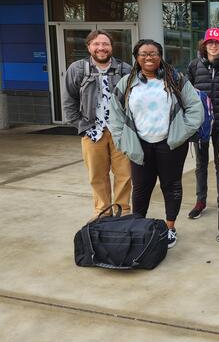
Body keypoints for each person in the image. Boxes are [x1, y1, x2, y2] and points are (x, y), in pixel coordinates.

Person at [109, 40, 204, 249]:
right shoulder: (127, 82)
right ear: (136, 57)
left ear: (160, 56)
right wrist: (121, 140)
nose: (148, 57)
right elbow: (115, 114)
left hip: (170, 144)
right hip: (139, 144)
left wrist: (182, 133)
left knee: (171, 186)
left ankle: (170, 227)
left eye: (153, 53)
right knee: (141, 188)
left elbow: (195, 109)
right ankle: (138, 226)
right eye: (143, 54)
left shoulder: (176, 79)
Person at [62, 30, 132, 218]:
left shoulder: (125, 69)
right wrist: (81, 126)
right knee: (97, 175)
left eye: (105, 44)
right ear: (89, 47)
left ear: (111, 47)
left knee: (124, 174)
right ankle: (102, 210)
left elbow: (134, 100)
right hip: (92, 131)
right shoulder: (77, 69)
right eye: (96, 44)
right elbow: (69, 101)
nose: (101, 48)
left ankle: (123, 210)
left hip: (119, 131)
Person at [186, 28, 219, 219]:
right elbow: (187, 96)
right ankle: (201, 201)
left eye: (217, 43)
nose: (214, 46)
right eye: (210, 42)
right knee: (201, 165)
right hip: (202, 126)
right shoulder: (194, 66)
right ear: (204, 45)